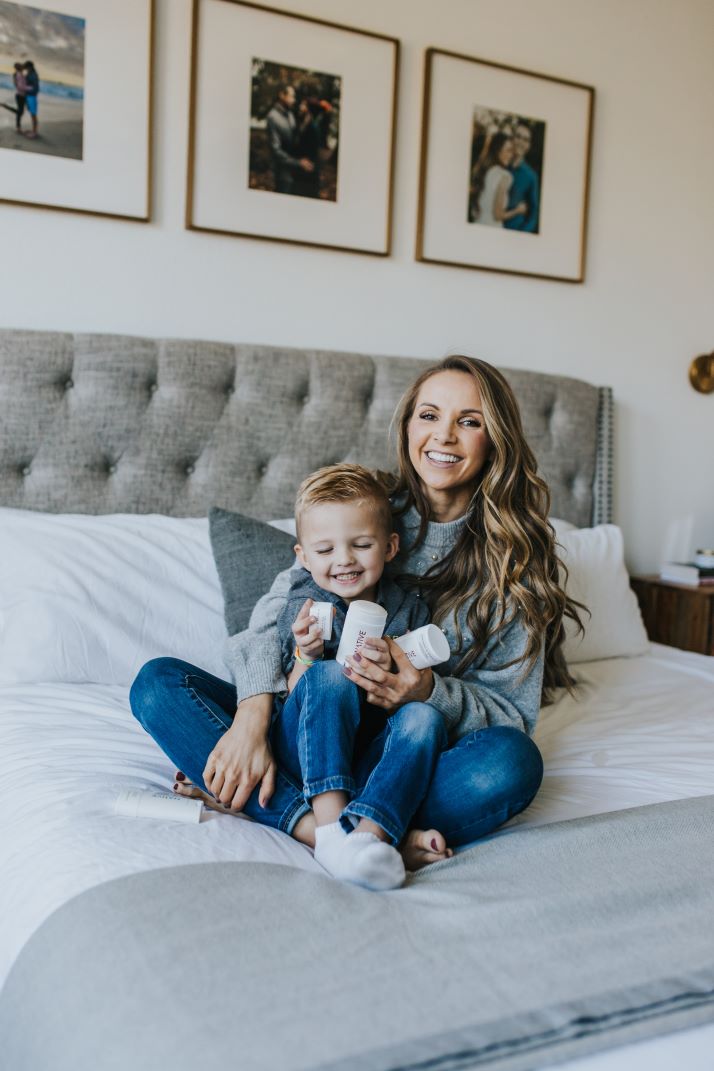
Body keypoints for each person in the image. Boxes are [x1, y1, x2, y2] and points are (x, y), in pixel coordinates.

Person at [131, 355, 582, 874]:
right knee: (157, 684)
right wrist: (251, 719)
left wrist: (429, 692)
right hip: (300, 728)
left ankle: (285, 808)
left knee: (511, 763)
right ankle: (357, 833)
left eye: (470, 421)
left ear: (495, 439)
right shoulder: (364, 507)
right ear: (409, 424)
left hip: (399, 755)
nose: (446, 436)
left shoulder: (513, 567)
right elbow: (269, 620)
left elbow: (511, 715)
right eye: (430, 415)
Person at [270, 464, 444, 890]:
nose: (344, 560)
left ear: (389, 546)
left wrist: (400, 671)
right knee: (330, 675)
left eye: (361, 544)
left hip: (371, 753)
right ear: (303, 557)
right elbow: (288, 698)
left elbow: (412, 698)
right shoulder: (303, 607)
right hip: (310, 753)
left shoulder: (408, 609)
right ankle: (330, 834)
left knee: (428, 719)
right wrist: (305, 657)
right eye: (325, 550)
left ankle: (370, 838)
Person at [265, 84, 314, 195]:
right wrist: (298, 163)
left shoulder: (290, 114)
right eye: (292, 96)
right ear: (282, 95)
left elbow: (294, 138)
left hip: (296, 173)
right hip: (282, 175)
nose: (294, 100)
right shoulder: (272, 117)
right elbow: (275, 150)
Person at [469, 132, 526, 227]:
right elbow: (498, 215)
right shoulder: (504, 176)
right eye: (509, 150)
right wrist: (518, 210)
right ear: (498, 151)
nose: (512, 155)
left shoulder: (485, 171)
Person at [504, 122, 540, 233]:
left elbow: (534, 215)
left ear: (528, 145)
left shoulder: (531, 176)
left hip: (514, 230)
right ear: (512, 139)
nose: (521, 142)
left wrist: (522, 234)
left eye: (525, 139)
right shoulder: (499, 166)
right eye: (518, 137)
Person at [293, 97, 332, 199]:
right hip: (302, 171)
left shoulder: (312, 128)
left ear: (308, 110)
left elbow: (313, 153)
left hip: (308, 174)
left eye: (303, 105)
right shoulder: (304, 124)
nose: (300, 107)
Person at [22, 60, 39, 139]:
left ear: (29, 67)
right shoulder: (30, 73)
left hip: (32, 96)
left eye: (26, 67)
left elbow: (35, 88)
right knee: (32, 113)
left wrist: (26, 88)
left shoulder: (33, 75)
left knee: (33, 114)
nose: (25, 69)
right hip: (29, 96)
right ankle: (33, 130)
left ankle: (34, 132)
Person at [13, 63, 27, 133]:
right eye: (21, 66)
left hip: (22, 95)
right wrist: (29, 88)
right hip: (20, 95)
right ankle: (18, 127)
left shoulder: (21, 75)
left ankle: (18, 127)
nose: (23, 68)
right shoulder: (18, 75)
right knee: (20, 112)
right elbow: (20, 86)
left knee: (20, 111)